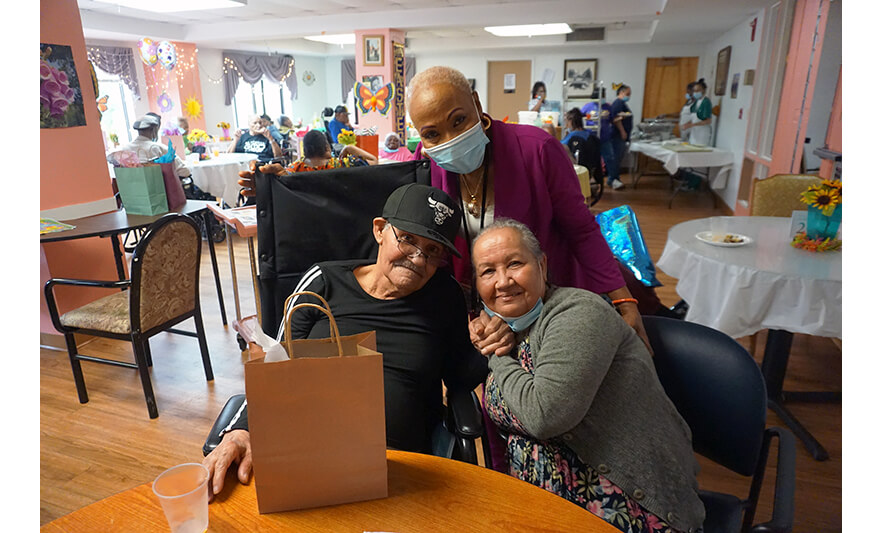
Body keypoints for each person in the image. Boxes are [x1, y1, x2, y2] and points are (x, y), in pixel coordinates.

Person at [201, 183, 489, 499]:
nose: (419, 260)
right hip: (306, 456)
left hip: (401, 469)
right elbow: (275, 369)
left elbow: (461, 377)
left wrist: (488, 341)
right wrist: (243, 430)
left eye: (433, 251)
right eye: (407, 240)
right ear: (380, 230)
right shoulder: (323, 283)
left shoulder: (444, 295)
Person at [472, 219, 705, 533]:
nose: (502, 281)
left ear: (541, 264)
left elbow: (544, 415)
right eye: (488, 271)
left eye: (514, 263)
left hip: (625, 501)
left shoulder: (578, 313)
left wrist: (495, 353)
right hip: (539, 504)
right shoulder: (506, 326)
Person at [405, 66, 649, 349]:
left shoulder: (537, 150)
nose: (450, 139)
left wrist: (623, 299)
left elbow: (581, 230)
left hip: (549, 302)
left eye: (458, 120)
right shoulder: (428, 169)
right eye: (432, 134)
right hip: (483, 315)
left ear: (477, 103)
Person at [108, 113, 190, 178]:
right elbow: (184, 171)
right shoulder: (159, 148)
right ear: (154, 130)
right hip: (160, 194)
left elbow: (109, 157)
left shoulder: (123, 149)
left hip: (132, 194)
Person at [286, 129, 377, 172]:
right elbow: (374, 161)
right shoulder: (341, 164)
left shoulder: (295, 168)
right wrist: (349, 148)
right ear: (327, 147)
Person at [608, 84, 633, 191]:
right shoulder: (618, 103)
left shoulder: (622, 104)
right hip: (617, 136)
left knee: (618, 159)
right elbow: (616, 119)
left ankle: (614, 179)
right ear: (621, 92)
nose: (629, 96)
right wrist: (623, 131)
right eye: (627, 93)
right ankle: (613, 180)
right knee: (615, 159)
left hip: (620, 136)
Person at [682, 79, 712, 146]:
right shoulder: (696, 102)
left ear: (703, 90)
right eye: (694, 91)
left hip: (702, 134)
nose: (695, 93)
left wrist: (693, 125)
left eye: (698, 90)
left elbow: (708, 121)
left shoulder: (706, 102)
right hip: (694, 133)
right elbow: (693, 117)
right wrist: (687, 124)